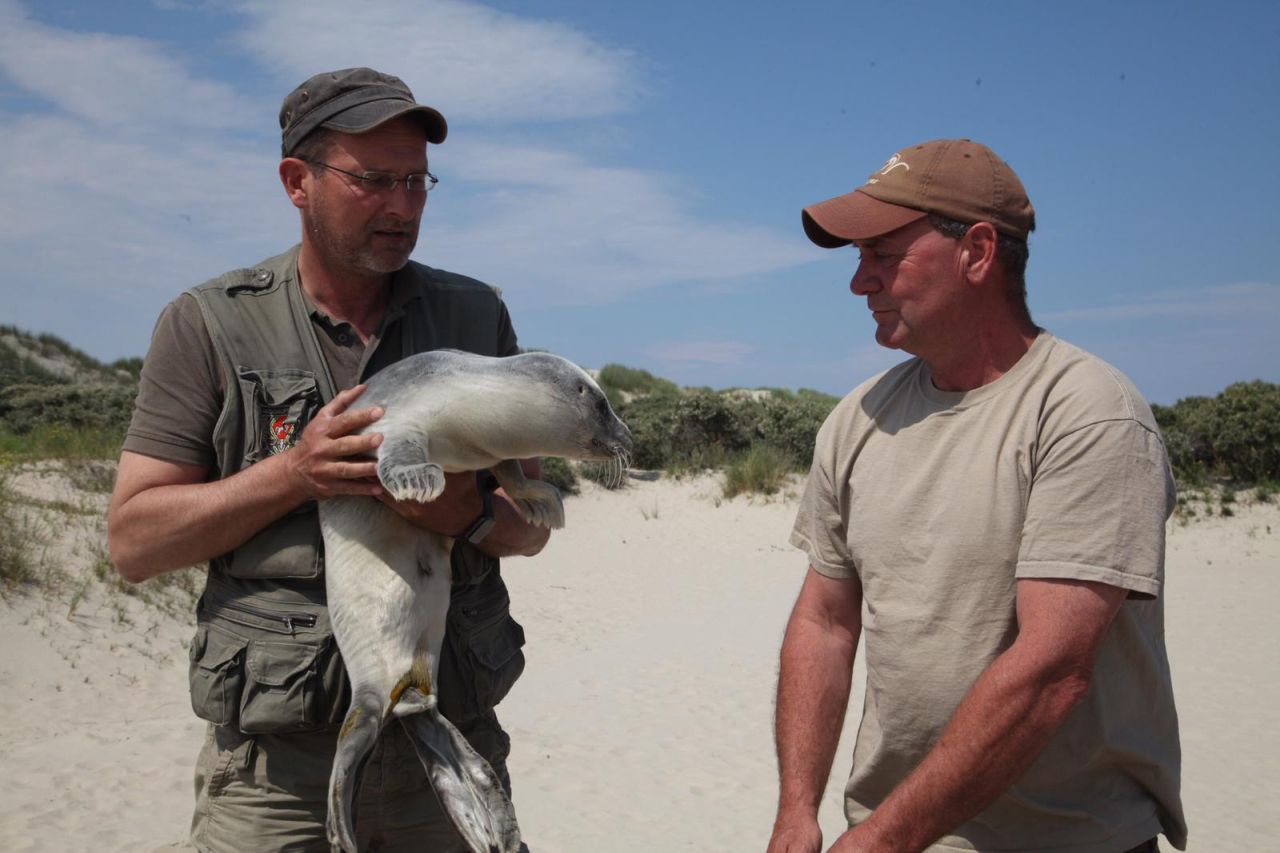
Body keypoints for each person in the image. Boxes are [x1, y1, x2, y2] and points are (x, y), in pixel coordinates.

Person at [107, 67, 548, 852]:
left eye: (417, 181)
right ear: (296, 180)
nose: (403, 207)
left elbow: (537, 523)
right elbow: (135, 541)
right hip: (277, 782)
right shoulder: (208, 325)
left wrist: (471, 513)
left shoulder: (475, 316)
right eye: (373, 180)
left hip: (446, 758)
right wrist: (292, 474)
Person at [768, 139, 1186, 853]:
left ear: (979, 252)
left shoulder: (1087, 411)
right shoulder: (858, 419)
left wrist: (882, 842)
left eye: (882, 254)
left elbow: (1052, 671)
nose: (858, 282)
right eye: (856, 258)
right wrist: (797, 811)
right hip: (891, 834)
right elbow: (824, 622)